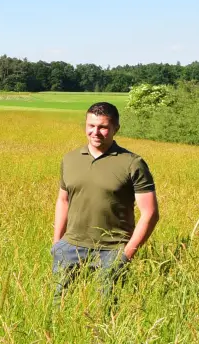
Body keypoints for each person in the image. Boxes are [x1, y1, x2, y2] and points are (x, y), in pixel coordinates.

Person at [51, 101, 159, 300]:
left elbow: (150, 213)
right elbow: (63, 200)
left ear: (115, 129)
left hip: (112, 250)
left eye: (103, 127)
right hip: (70, 247)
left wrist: (126, 254)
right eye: (91, 126)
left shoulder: (132, 163)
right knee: (59, 306)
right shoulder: (70, 159)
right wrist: (57, 242)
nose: (96, 132)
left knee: (106, 313)